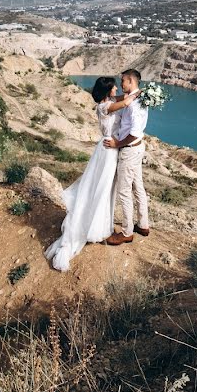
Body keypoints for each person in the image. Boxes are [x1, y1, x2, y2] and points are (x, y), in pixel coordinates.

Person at [44, 76, 139, 271]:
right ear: (108, 91)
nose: (117, 89)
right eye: (114, 87)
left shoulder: (110, 101)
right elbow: (127, 101)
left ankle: (103, 224)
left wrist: (137, 91)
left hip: (109, 150)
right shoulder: (104, 107)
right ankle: (95, 227)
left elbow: (124, 96)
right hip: (108, 150)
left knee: (106, 188)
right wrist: (141, 92)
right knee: (102, 189)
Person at [103, 69, 150, 245]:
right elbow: (120, 101)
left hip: (130, 149)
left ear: (130, 81)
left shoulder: (135, 104)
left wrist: (117, 144)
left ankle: (126, 232)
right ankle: (143, 224)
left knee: (124, 191)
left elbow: (134, 132)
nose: (120, 84)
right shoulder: (138, 96)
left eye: (122, 81)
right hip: (138, 149)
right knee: (138, 186)